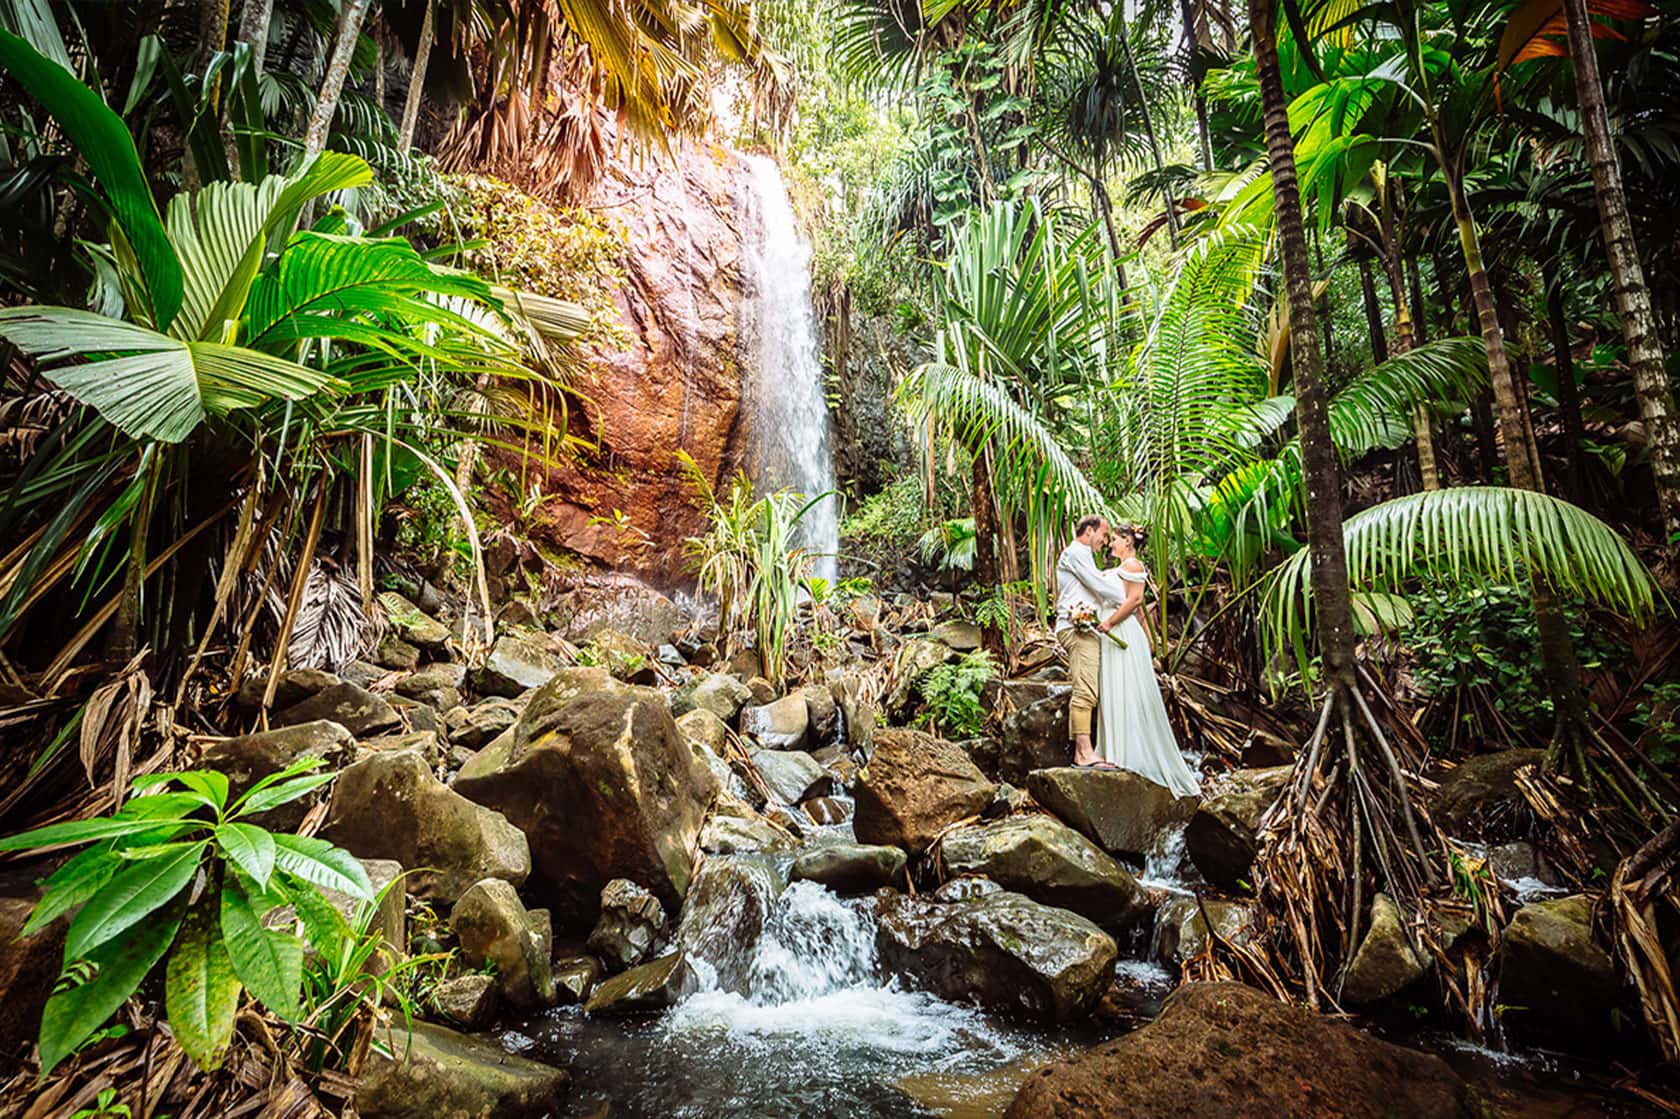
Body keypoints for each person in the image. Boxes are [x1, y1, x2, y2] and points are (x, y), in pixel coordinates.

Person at [1094, 524, 1201, 796]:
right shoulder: (1121, 567)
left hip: (1123, 632)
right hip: (1112, 634)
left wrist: (1108, 622)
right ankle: (1113, 752)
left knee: (1127, 690)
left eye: (1115, 540)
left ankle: (1129, 755)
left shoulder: (1132, 565)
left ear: (1128, 541)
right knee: (1115, 691)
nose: (1111, 544)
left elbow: (1135, 600)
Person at [1054, 514, 1124, 768]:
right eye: (1104, 535)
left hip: (1085, 629)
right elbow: (1100, 587)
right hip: (1076, 628)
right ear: (1090, 531)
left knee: (1089, 689)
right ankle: (1083, 753)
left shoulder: (1084, 557)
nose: (1105, 541)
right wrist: (1126, 596)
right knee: (1085, 690)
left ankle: (1086, 750)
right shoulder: (1076, 554)